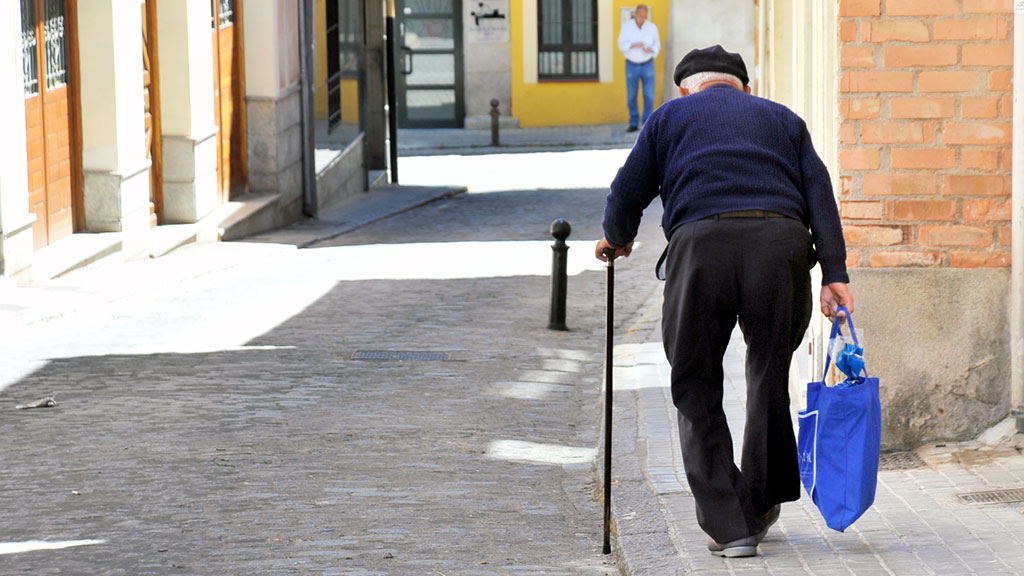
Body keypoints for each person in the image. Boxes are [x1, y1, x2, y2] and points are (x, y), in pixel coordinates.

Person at [594, 45, 854, 558]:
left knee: (695, 381)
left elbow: (628, 190)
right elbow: (819, 194)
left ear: (685, 90)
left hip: (700, 248)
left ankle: (728, 524)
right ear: (745, 88)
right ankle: (758, 505)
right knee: (767, 371)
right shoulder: (782, 119)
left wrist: (616, 236)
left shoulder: (668, 117)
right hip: (779, 244)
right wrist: (834, 273)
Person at [617, 4, 660, 132]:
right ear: (635, 14)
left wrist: (651, 50)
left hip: (648, 64)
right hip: (631, 65)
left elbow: (657, 45)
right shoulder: (627, 27)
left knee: (649, 95)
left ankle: (647, 123)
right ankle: (633, 122)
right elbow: (621, 44)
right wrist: (635, 44)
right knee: (631, 96)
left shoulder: (652, 28)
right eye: (640, 16)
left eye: (644, 16)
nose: (642, 19)